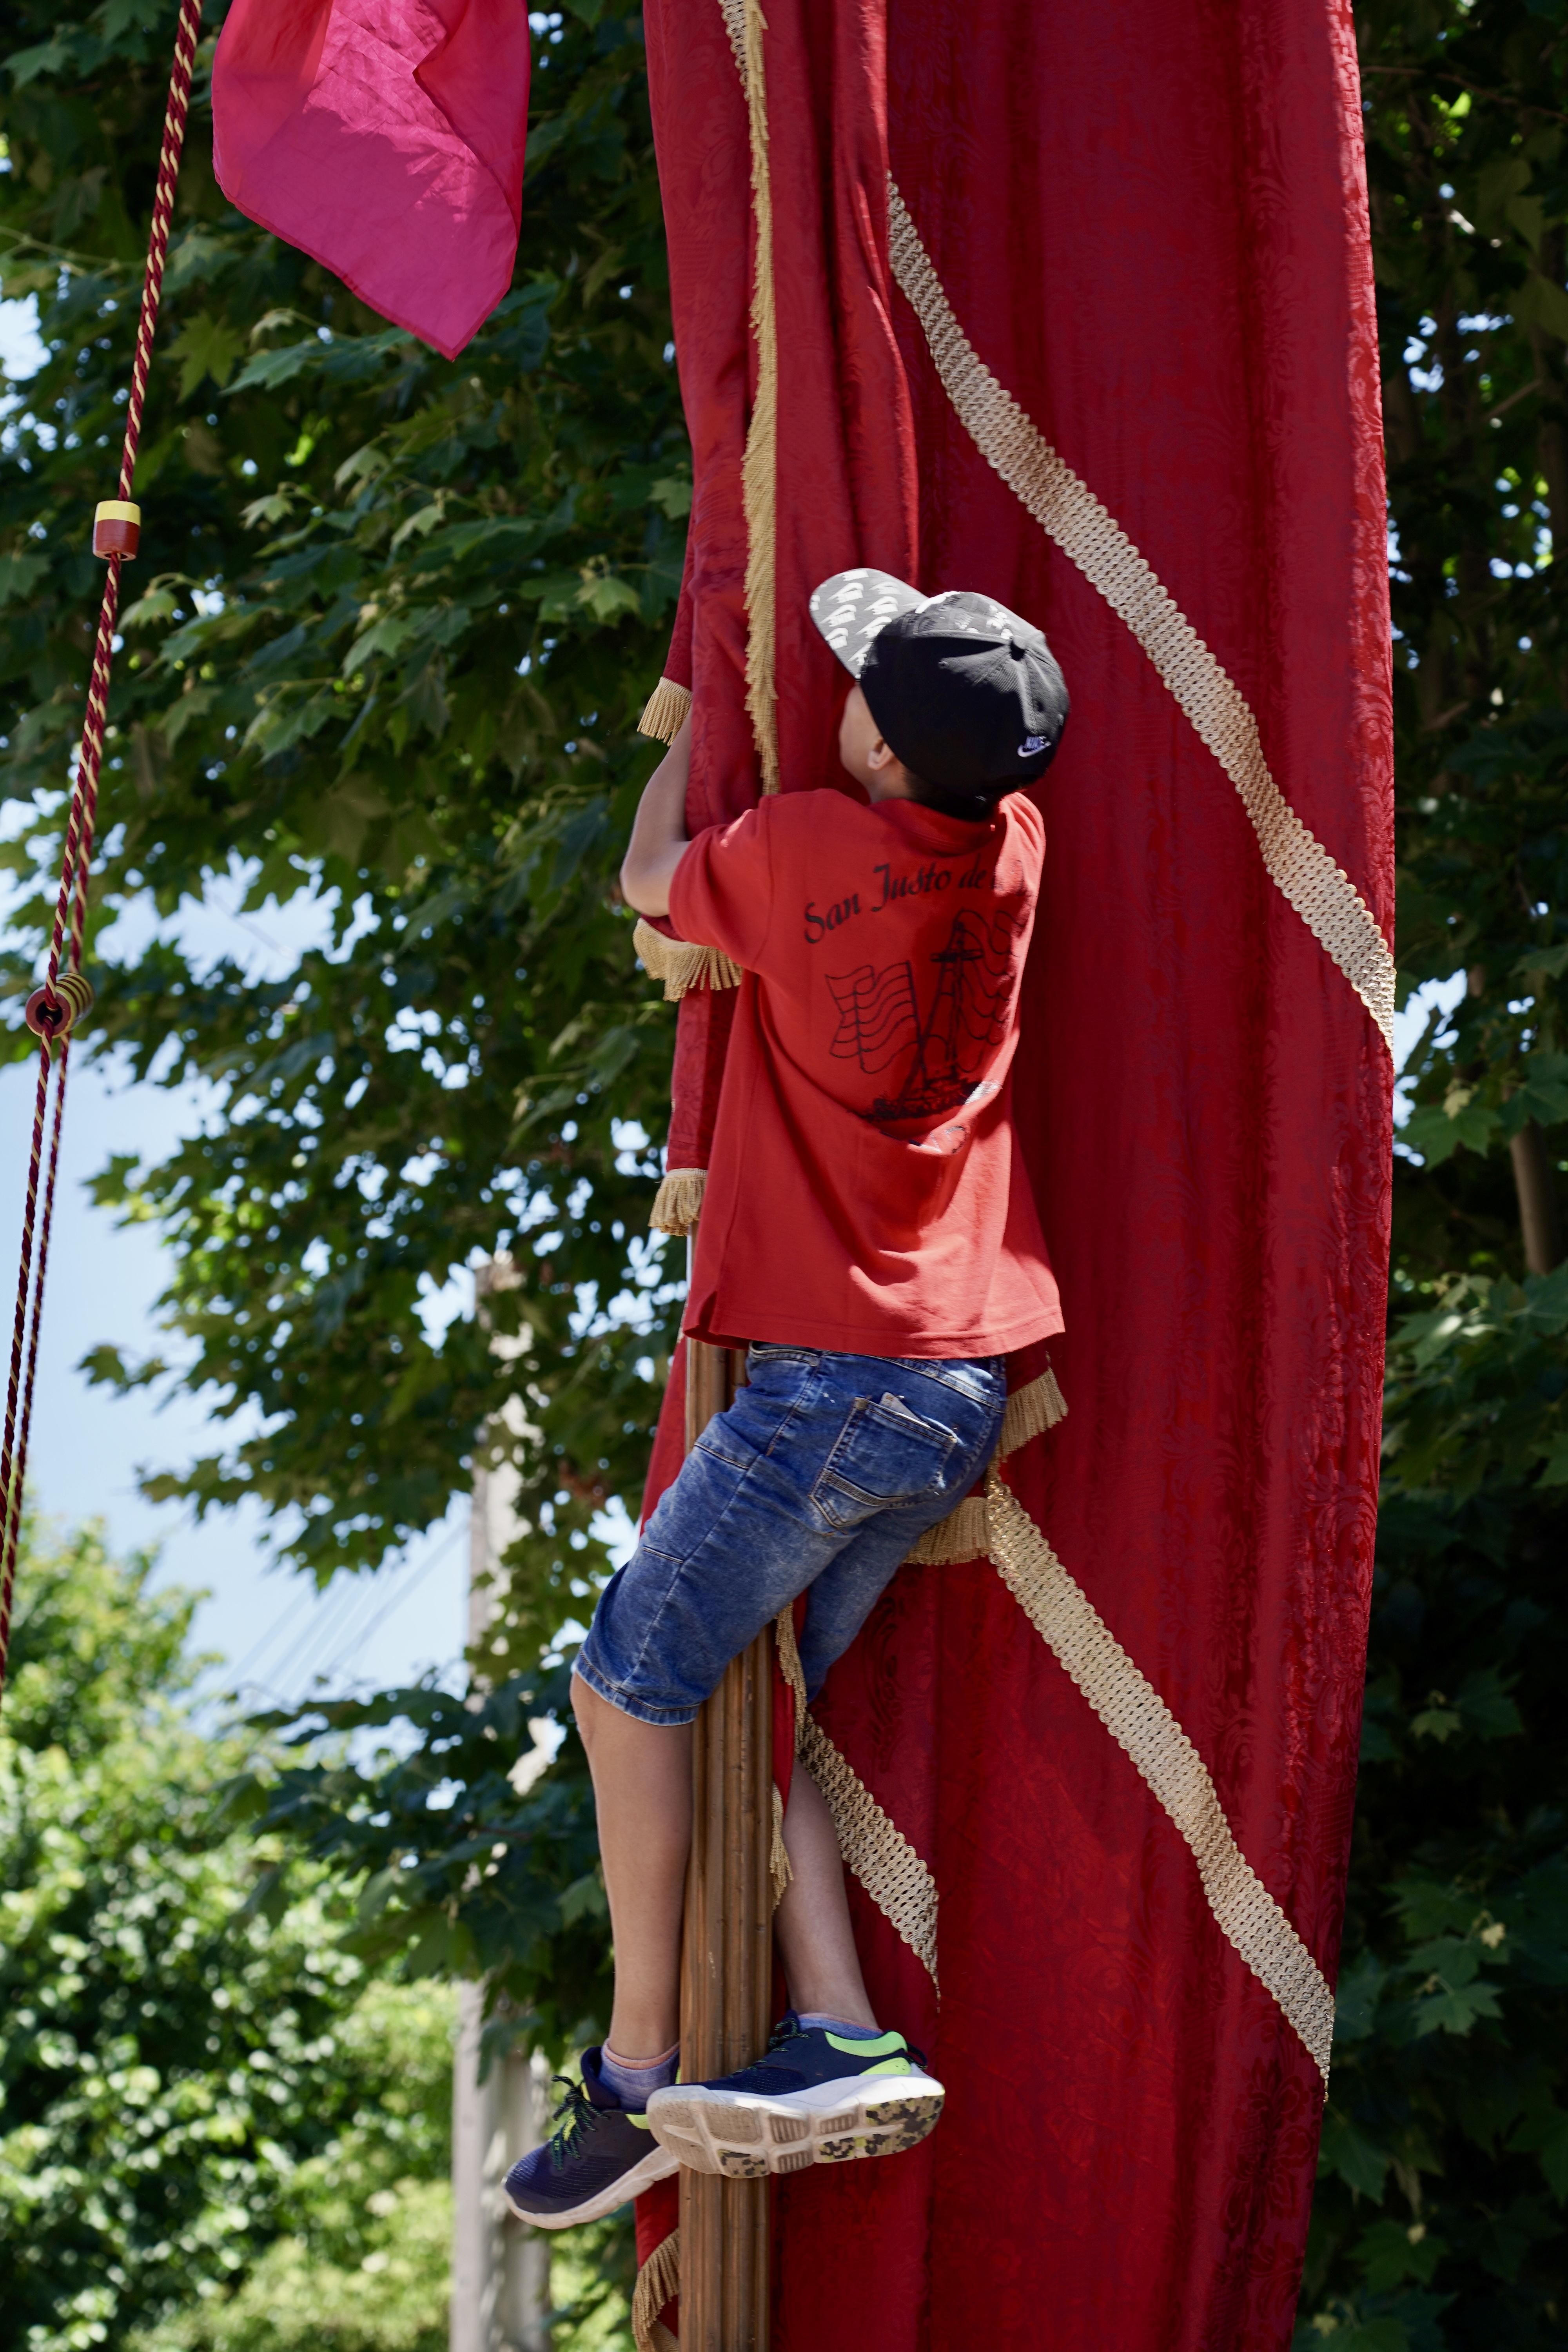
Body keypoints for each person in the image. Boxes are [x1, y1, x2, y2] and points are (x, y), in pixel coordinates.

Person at [505, 570, 1070, 2228]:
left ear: (878, 745)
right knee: (757, 1703)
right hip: (958, 1378)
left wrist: (684, 738)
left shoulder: (802, 849)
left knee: (627, 1685)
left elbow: (646, 878)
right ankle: (838, 2032)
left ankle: (636, 2076)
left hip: (839, 1374)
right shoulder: (1015, 849)